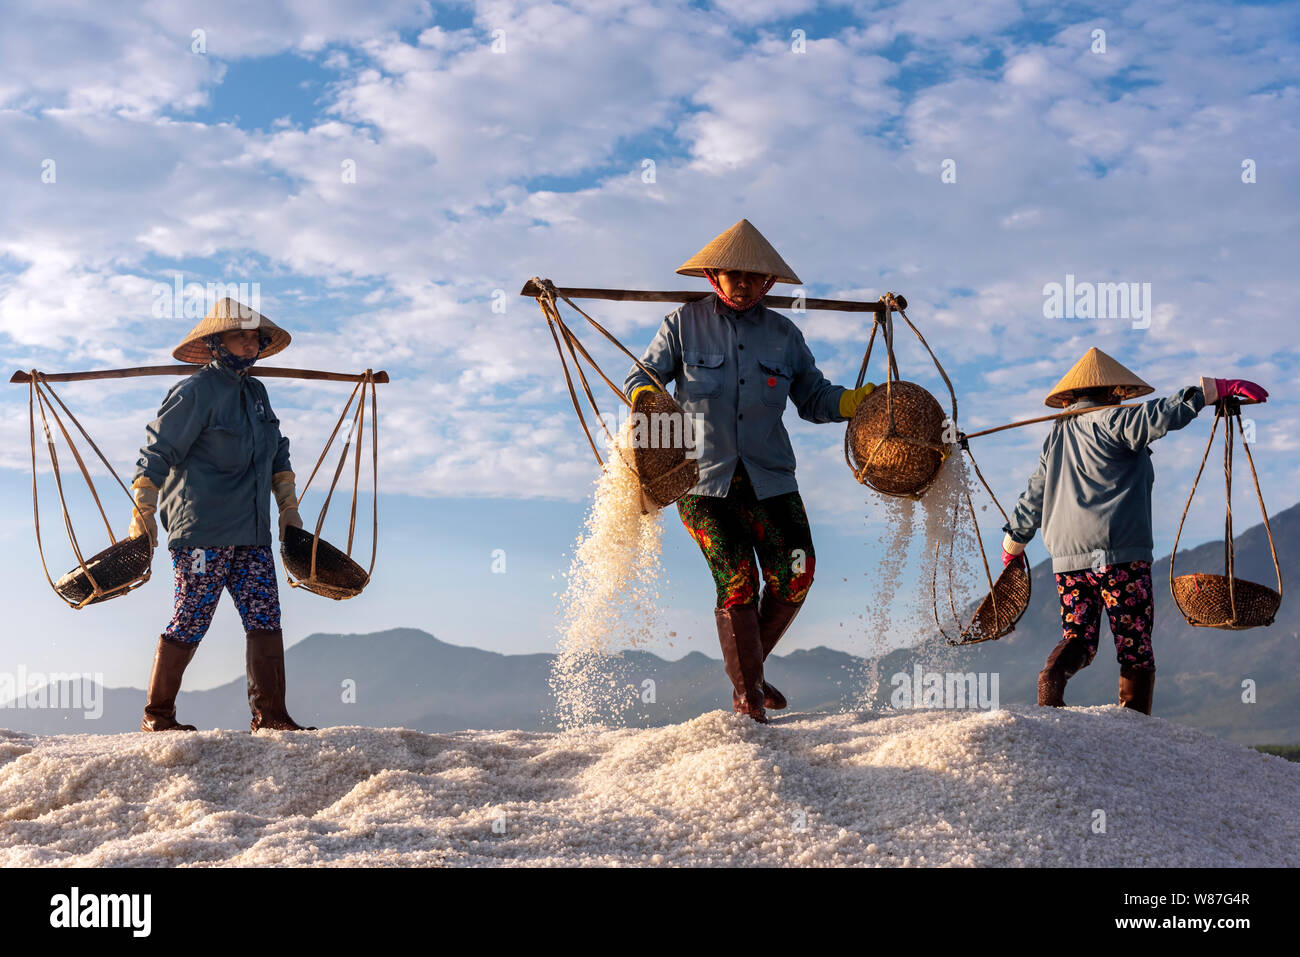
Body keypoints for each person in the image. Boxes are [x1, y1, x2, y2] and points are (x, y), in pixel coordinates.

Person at [623, 220, 876, 723]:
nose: (743, 284)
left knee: (797, 573)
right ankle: (748, 698)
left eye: (754, 277)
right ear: (713, 275)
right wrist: (648, 396)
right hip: (701, 481)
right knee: (737, 579)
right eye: (733, 274)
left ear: (769, 284)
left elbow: (813, 397)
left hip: (771, 478)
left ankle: (750, 673)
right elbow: (641, 376)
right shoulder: (682, 324)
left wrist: (851, 401)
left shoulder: (784, 334)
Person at [1000, 347, 1268, 715]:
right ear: (1111, 391)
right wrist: (1209, 391)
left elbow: (1035, 491)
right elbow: (1158, 416)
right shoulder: (1113, 420)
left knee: (1078, 637)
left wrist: (1014, 540)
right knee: (1134, 643)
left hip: (1068, 557)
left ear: (1074, 395)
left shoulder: (1056, 434)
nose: (1123, 399)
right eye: (1120, 395)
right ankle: (1135, 723)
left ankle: (1052, 675)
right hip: (1118, 552)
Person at [129, 297, 316, 733]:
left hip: (252, 531)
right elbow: (157, 451)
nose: (250, 344)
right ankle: (158, 716)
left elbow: (278, 453)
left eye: (255, 337)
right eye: (240, 336)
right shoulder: (195, 392)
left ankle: (271, 716)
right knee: (191, 613)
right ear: (216, 343)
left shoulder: (256, 393)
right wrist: (143, 507)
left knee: (265, 615)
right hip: (202, 530)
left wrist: (288, 508)